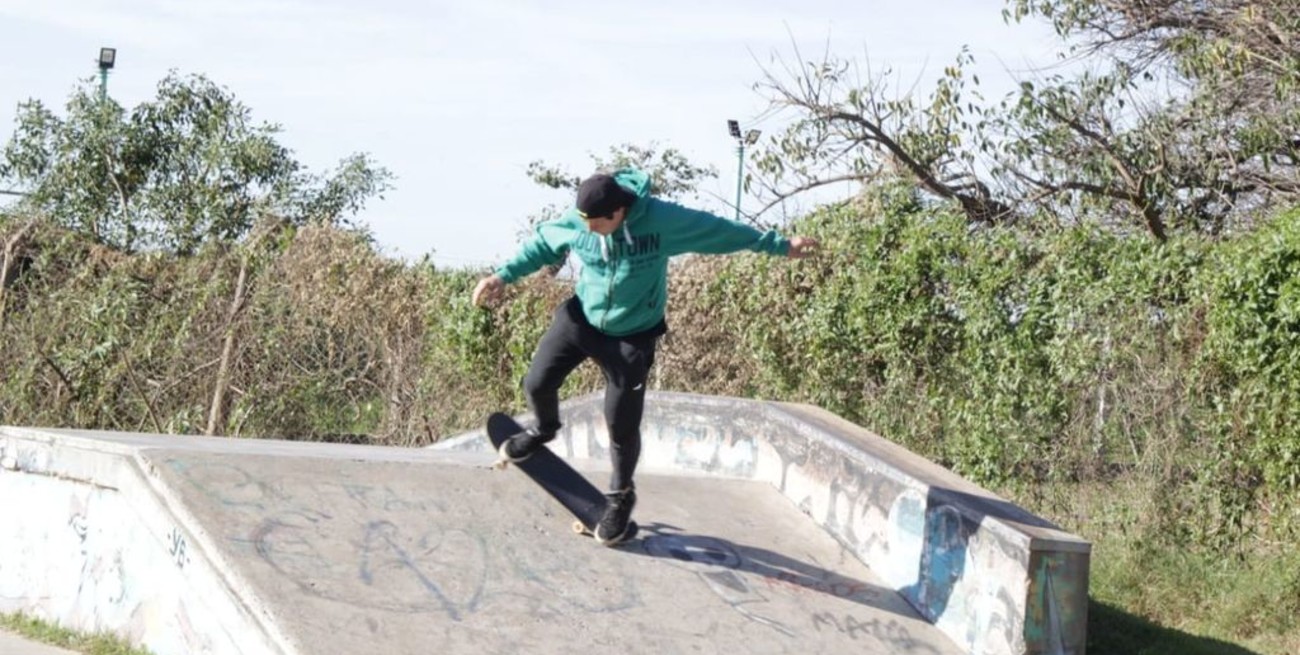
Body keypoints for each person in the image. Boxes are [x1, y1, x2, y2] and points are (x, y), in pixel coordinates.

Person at [472, 168, 818, 546]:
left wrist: (780, 246)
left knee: (620, 424)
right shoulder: (581, 220)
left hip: (631, 337)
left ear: (619, 212)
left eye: (596, 224)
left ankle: (620, 495)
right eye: (583, 222)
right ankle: (544, 428)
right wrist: (501, 276)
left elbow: (720, 232)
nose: (587, 231)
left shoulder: (663, 221)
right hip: (582, 319)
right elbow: (543, 243)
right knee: (536, 383)